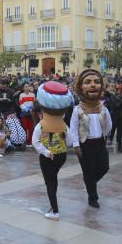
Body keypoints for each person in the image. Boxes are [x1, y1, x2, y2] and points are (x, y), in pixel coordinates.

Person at [31, 82, 77, 220]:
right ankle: (53, 205)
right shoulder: (63, 125)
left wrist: (45, 151)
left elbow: (35, 142)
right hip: (61, 156)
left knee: (50, 182)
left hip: (48, 157)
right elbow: (69, 141)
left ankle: (55, 211)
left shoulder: (41, 125)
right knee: (53, 179)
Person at [70, 69, 111, 208]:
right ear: (81, 87)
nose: (93, 85)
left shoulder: (103, 108)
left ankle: (90, 183)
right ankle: (92, 197)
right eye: (87, 82)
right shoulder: (77, 109)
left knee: (104, 167)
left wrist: (104, 135)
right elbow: (73, 128)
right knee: (88, 171)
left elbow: (109, 125)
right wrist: (76, 145)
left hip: (99, 142)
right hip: (84, 144)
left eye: (97, 82)